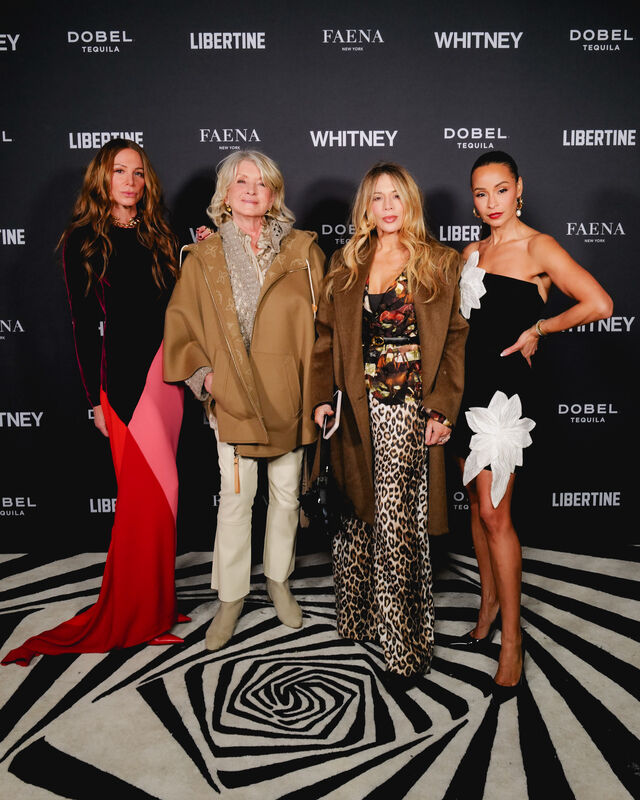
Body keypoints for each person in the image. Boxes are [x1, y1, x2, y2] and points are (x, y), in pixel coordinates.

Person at [2, 139, 186, 667]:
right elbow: (84, 328)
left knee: (161, 502)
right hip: (125, 385)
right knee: (149, 497)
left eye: (137, 173)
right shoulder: (86, 239)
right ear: (101, 180)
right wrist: (94, 404)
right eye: (118, 172)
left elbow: (181, 308)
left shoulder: (158, 234)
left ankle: (158, 607)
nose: (129, 181)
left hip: (167, 378)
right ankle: (135, 615)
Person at [450, 151, 613, 697]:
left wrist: (541, 327)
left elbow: (600, 302)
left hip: (505, 399)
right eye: (479, 193)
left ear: (519, 188)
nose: (490, 203)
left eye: (500, 190)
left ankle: (513, 641)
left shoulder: (538, 246)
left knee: (496, 514)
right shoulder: (471, 251)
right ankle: (489, 603)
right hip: (467, 391)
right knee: (476, 506)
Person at [311, 162, 468, 681]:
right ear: (366, 207)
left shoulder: (440, 262)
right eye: (377, 198)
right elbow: (325, 339)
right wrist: (321, 399)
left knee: (399, 523)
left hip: (407, 408)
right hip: (355, 405)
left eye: (396, 196)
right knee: (355, 511)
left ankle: (406, 645)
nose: (387, 206)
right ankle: (356, 618)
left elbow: (454, 342)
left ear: (410, 202)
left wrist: (442, 406)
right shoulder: (346, 261)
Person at [163, 150, 325, 651]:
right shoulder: (204, 258)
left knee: (285, 496)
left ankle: (278, 580)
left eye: (262, 183)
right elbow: (182, 326)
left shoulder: (303, 251)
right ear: (225, 195)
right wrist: (207, 379)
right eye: (241, 182)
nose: (252, 190)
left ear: (274, 193)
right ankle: (231, 597)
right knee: (236, 502)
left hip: (291, 400)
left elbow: (325, 330)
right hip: (233, 403)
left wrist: (317, 392)